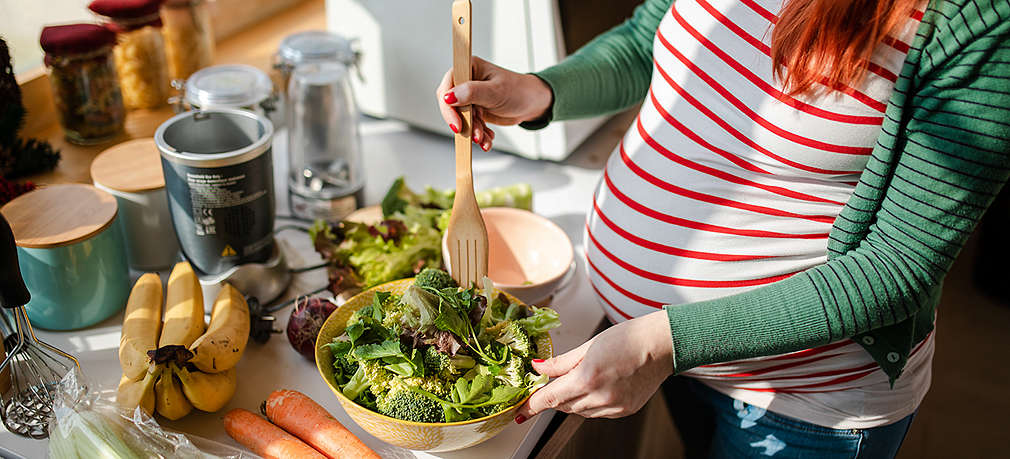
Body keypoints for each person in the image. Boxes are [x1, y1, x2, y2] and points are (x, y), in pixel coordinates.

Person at [437, 0, 1009, 457]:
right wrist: (541, 91)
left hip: (799, 400)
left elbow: (896, 269)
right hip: (660, 348)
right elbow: (650, 41)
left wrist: (666, 342)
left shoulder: (977, 18)